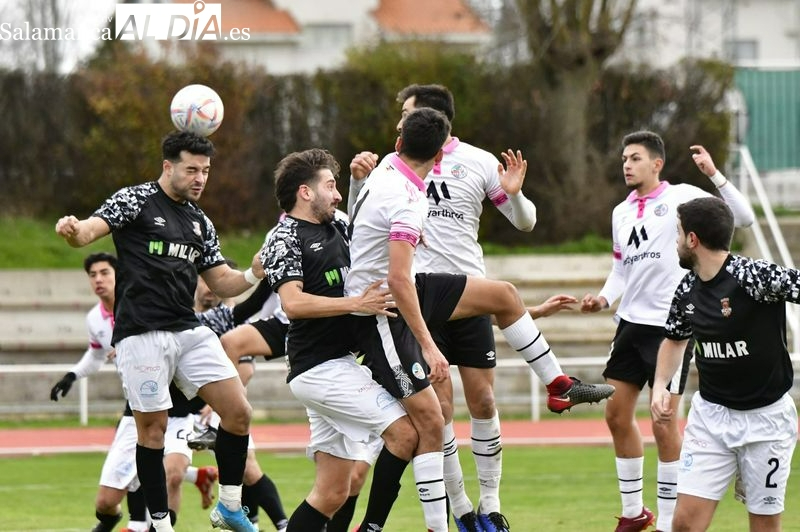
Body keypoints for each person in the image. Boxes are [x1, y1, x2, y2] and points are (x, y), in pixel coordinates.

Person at [345, 107, 615, 531]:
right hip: (384, 310)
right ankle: (449, 519)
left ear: (400, 144)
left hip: (414, 287)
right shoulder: (400, 193)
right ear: (438, 159)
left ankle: (559, 385)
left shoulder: (395, 175)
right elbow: (397, 280)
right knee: (433, 420)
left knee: (504, 296)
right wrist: (429, 345)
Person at [54, 130, 262, 532]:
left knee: (238, 412)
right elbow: (88, 231)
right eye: (192, 170)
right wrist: (72, 230)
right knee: (152, 432)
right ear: (168, 167)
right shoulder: (134, 200)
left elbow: (221, 283)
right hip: (141, 335)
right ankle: (161, 526)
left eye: (205, 171)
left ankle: (231, 507)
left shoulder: (200, 221)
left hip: (187, 330)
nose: (200, 178)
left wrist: (255, 271)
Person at [580, 132, 755, 531]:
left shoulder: (682, 198)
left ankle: (668, 522)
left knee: (663, 421)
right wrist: (603, 301)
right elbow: (620, 271)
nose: (627, 164)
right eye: (624, 157)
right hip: (630, 325)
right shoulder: (620, 212)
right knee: (616, 414)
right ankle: (633, 513)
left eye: (635, 158)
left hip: (670, 329)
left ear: (657, 163)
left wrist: (716, 176)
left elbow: (742, 218)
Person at [262, 147, 421, 532]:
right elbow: (293, 303)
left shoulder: (339, 225)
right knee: (404, 434)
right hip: (318, 368)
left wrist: (357, 180)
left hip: (338, 364)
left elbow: (366, 229)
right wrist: (358, 303)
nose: (336, 194)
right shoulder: (283, 236)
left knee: (334, 491)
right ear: (305, 192)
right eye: (329, 186)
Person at [651, 196, 798, 532]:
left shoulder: (754, 276)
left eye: (677, 233)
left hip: (767, 423)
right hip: (711, 418)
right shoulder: (687, 288)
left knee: (763, 528)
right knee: (684, 525)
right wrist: (660, 385)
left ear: (693, 239)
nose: (675, 241)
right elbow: (675, 339)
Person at [49, 252, 219, 532]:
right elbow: (96, 354)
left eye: (105, 273)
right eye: (93, 275)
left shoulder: (149, 304)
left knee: (173, 475)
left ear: (121, 275)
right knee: (105, 502)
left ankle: (149, 527)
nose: (99, 280)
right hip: (138, 409)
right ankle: (117, 520)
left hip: (178, 410)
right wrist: (72, 375)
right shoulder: (96, 318)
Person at [192, 273, 290, 532]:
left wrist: (218, 400)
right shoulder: (185, 321)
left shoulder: (228, 321)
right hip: (181, 410)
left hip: (216, 408)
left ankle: (281, 524)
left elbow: (245, 369)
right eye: (205, 281)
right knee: (170, 468)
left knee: (246, 469)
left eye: (217, 284)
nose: (211, 288)